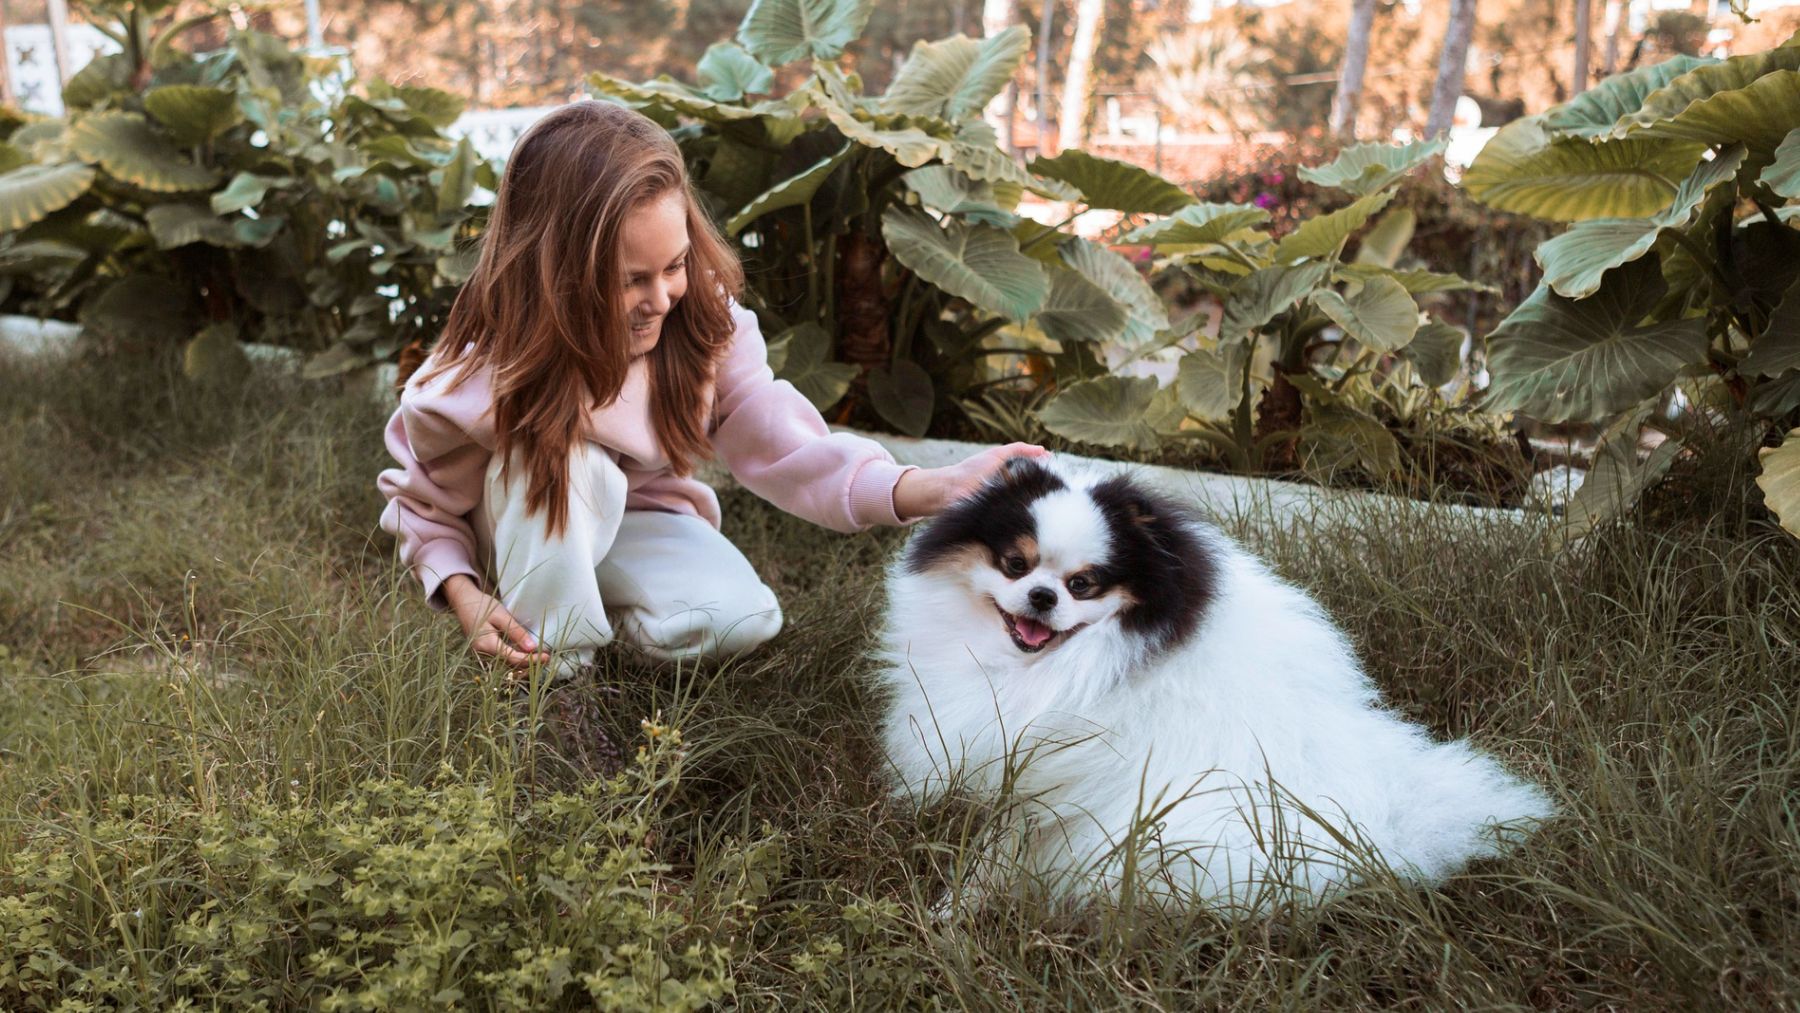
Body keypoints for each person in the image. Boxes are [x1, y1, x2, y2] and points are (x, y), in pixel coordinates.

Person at [378, 100, 1045, 675]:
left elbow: (789, 448)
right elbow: (424, 504)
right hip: (528, 512)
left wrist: (933, 486)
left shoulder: (702, 324)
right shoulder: (491, 370)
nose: (661, 298)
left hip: (637, 520)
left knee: (740, 617)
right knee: (580, 468)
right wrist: (465, 593)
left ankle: (578, 611)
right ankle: (551, 679)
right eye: (629, 279)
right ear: (555, 277)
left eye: (674, 266)